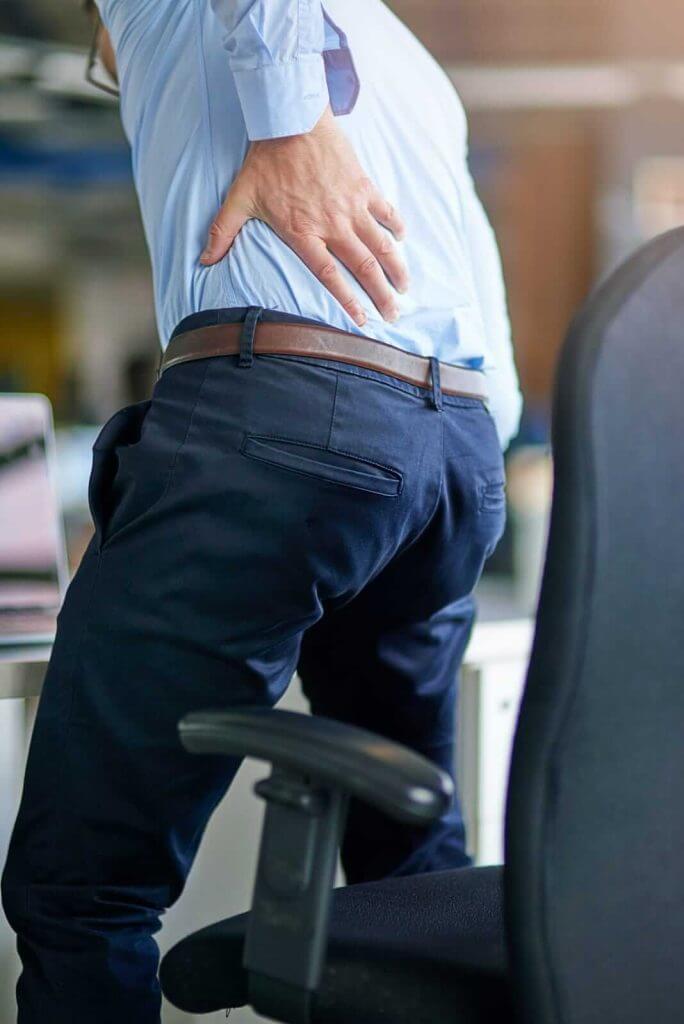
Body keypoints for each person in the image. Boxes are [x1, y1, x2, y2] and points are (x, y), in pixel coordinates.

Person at [2, 1, 522, 1020]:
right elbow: (488, 345)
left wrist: (288, 122)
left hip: (286, 413)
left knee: (85, 889)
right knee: (411, 879)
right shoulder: (408, 62)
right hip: (452, 453)